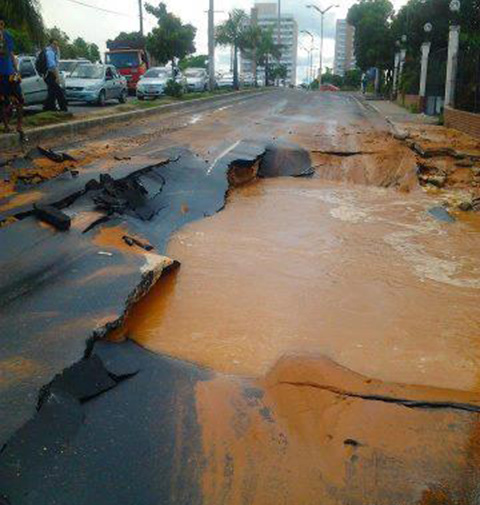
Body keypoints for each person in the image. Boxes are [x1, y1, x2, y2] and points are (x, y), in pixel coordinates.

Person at [0, 16, 25, 139]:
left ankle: (19, 125)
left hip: (11, 74)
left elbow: (10, 53)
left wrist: (16, 70)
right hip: (1, 75)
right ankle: (6, 126)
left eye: (1, 24)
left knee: (20, 99)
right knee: (3, 101)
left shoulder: (7, 36)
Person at [44, 38, 68, 112]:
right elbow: (52, 66)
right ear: (50, 44)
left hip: (48, 74)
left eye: (57, 44)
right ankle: (63, 109)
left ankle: (49, 108)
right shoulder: (50, 52)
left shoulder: (50, 51)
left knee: (52, 92)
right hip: (50, 74)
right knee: (59, 91)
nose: (55, 46)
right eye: (54, 44)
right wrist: (57, 77)